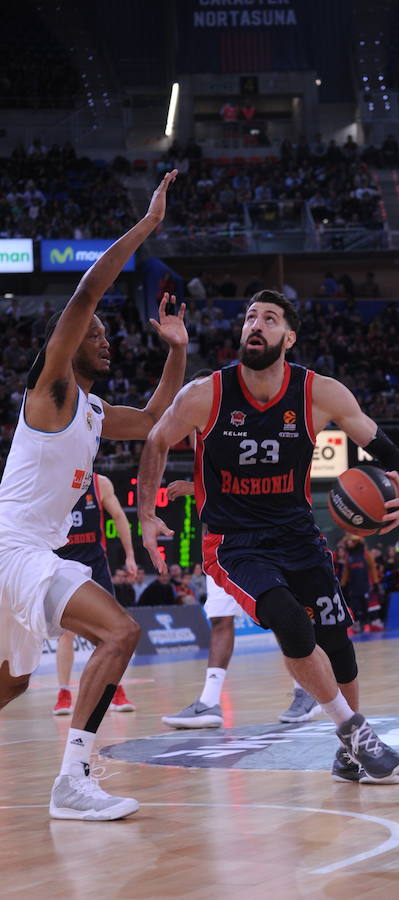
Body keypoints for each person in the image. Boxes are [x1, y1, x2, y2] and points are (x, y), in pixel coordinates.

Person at [138, 289, 399, 785]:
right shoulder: (205, 394)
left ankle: (349, 757)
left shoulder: (319, 392)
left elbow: (377, 440)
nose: (255, 325)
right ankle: (354, 731)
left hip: (298, 536)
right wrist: (144, 513)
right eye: (249, 317)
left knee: (337, 641)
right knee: (290, 621)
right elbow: (157, 440)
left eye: (269, 318)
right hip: (235, 542)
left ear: (288, 336)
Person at [0, 170, 187, 821]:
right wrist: (146, 227)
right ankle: (73, 780)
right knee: (120, 631)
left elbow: (158, 418)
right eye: (97, 334)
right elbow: (86, 291)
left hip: (20, 554)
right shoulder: (51, 392)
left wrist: (177, 352)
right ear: (68, 341)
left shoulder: (93, 411)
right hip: (15, 550)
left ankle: (73, 779)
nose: (106, 340)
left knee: (14, 681)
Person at [161, 477, 321, 727]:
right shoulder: (201, 444)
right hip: (220, 544)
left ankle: (306, 691)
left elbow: (249, 484)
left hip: (260, 540)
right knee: (220, 619)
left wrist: (194, 488)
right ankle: (209, 703)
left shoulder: (243, 441)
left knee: (282, 614)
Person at [53, 473, 137, 716]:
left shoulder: (100, 483)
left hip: (95, 567)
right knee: (66, 634)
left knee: (113, 633)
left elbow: (120, 516)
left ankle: (115, 690)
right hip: (63, 566)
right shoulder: (53, 481)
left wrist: (130, 555)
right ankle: (63, 693)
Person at [340, 534, 379, 634]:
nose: (349, 543)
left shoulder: (366, 554)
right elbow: (346, 572)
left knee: (366, 606)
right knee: (355, 606)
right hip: (353, 586)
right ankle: (357, 623)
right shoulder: (349, 556)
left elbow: (373, 569)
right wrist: (342, 585)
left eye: (351, 541)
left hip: (365, 585)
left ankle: (366, 623)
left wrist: (375, 583)